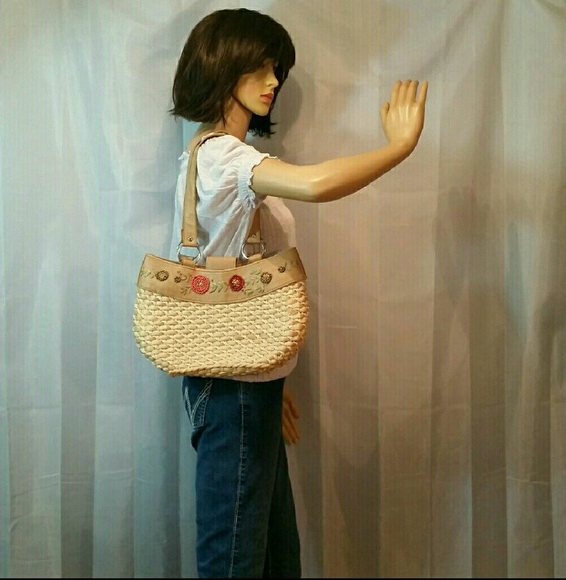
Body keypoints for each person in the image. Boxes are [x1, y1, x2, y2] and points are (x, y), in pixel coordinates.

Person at [169, 8, 427, 578]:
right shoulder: (224, 157)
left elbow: (240, 260)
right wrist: (398, 148)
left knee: (272, 559)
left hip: (246, 384)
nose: (273, 81)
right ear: (222, 65)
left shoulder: (209, 153)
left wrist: (267, 375)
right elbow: (314, 183)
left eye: (276, 69)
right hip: (233, 392)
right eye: (259, 66)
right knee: (235, 562)